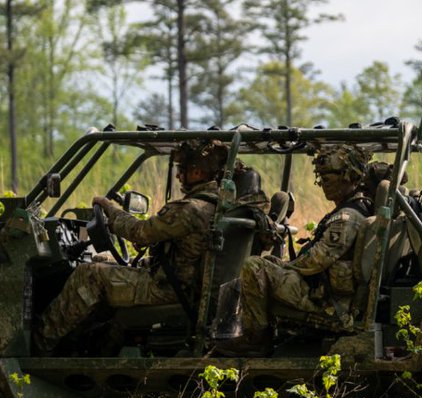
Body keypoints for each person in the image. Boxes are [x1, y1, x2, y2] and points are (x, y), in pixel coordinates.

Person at [35, 139, 228, 355]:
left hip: (167, 290)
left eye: (182, 170)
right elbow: (183, 256)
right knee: (102, 262)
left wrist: (110, 209)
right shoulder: (217, 206)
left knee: (89, 274)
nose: (178, 176)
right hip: (183, 286)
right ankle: (84, 345)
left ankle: (38, 346)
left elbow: (139, 231)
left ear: (197, 172)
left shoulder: (191, 209)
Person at [211, 145, 373, 357]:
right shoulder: (354, 209)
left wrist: (286, 268)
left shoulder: (347, 218)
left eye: (329, 177)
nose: (323, 183)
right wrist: (281, 266)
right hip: (323, 292)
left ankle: (256, 338)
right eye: (321, 178)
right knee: (268, 263)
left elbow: (317, 260)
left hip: (329, 304)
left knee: (254, 266)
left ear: (349, 177)